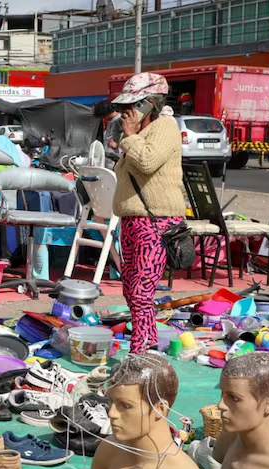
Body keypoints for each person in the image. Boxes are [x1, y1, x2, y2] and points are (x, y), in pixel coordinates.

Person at [110, 72, 186, 354]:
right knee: (130, 289)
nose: (125, 112)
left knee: (141, 291)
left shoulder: (165, 128)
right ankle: (149, 343)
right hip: (133, 221)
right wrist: (129, 137)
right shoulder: (140, 134)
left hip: (156, 223)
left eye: (131, 105)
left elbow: (147, 161)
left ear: (149, 104)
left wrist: (130, 136)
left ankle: (140, 352)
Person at [92, 98, 121, 168]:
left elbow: (129, 137)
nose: (104, 118)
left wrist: (118, 144)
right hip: (109, 155)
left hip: (116, 156)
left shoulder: (119, 120)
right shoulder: (111, 121)